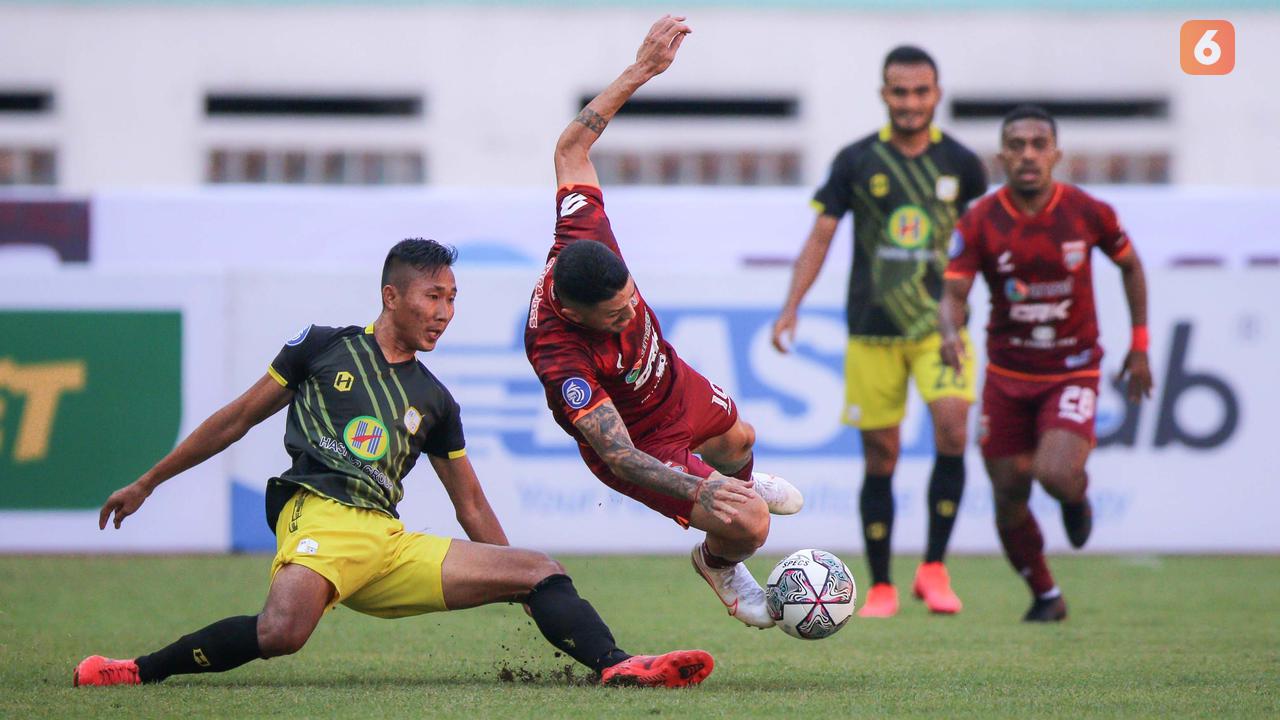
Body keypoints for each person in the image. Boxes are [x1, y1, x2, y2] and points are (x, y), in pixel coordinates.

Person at [72, 239, 713, 689]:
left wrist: (515, 581)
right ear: (391, 296)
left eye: (453, 299)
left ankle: (620, 666)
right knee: (284, 631)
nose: (444, 313)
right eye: (433, 297)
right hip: (321, 513)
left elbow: (470, 505)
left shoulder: (436, 399)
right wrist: (148, 481)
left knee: (540, 568)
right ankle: (135, 671)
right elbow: (236, 418)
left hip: (387, 541)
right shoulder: (322, 349)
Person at [523, 16, 803, 630]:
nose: (631, 311)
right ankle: (719, 563)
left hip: (671, 382)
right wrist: (698, 494)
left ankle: (738, 489)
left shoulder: (582, 230)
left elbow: (570, 148)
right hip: (641, 443)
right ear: (574, 315)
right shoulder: (557, 352)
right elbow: (618, 455)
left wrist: (643, 68)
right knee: (748, 524)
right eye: (617, 313)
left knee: (742, 442)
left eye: (632, 297)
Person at [771, 46, 987, 617]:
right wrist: (792, 304)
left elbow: (984, 245)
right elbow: (821, 235)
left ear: (936, 94)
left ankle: (935, 570)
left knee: (953, 429)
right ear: (884, 95)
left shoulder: (963, 165)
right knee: (881, 455)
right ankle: (884, 584)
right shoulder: (857, 160)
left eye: (921, 91)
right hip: (872, 331)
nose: (911, 102)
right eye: (900, 91)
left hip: (941, 329)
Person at [938, 105, 1154, 622]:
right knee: (1009, 492)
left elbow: (1130, 265)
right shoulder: (980, 220)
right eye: (1017, 144)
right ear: (1002, 156)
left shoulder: (1086, 211)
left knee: (1055, 474)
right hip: (1008, 376)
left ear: (1055, 154)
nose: (1028, 154)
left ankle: (1076, 498)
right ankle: (1045, 595)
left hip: (1072, 368)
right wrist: (950, 331)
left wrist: (1140, 343)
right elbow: (953, 290)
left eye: (1039, 144)